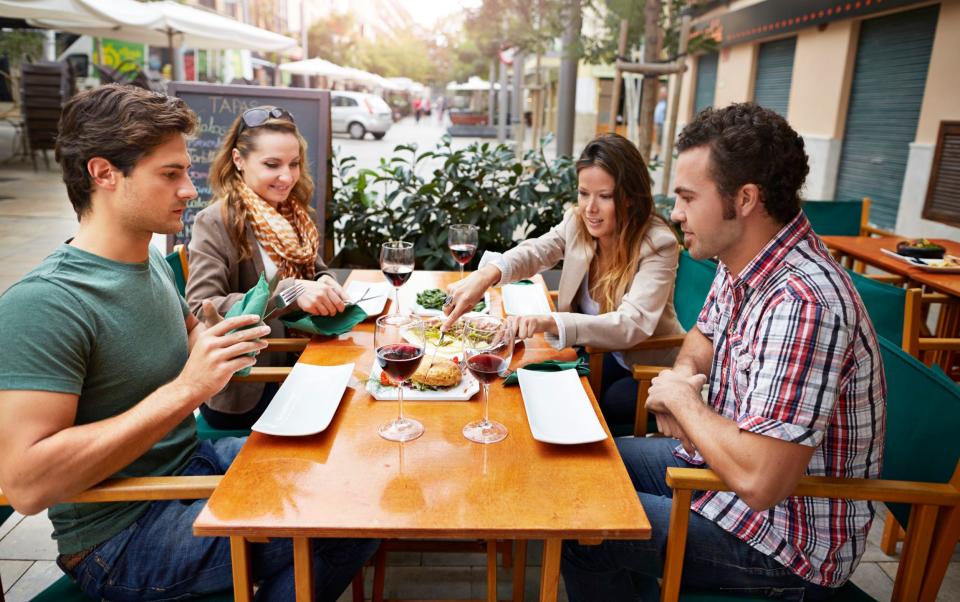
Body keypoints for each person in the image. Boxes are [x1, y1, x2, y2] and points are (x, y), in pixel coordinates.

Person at [0, 84, 377, 601]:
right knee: (348, 519)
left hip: (188, 468)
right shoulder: (45, 303)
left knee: (358, 475)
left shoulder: (148, 262)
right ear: (103, 173)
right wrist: (189, 388)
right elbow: (25, 485)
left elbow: (205, 341)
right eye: (170, 173)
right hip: (120, 537)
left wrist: (291, 350)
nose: (189, 189)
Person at [560, 103, 886, 600]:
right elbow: (701, 339)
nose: (676, 212)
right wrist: (684, 377)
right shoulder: (742, 265)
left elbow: (760, 480)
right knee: (585, 465)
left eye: (689, 197)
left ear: (746, 198)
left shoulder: (804, 302)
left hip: (783, 542)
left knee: (586, 522)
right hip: (718, 477)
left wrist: (684, 402)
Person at [443, 133, 684, 425]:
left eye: (605, 196)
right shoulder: (578, 222)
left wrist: (549, 322)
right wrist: (485, 275)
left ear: (631, 198)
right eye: (584, 193)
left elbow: (631, 325)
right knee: (525, 384)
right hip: (593, 352)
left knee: (582, 408)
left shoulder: (658, 243)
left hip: (645, 369)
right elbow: (536, 251)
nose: (590, 208)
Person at [187, 105, 349, 430]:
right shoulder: (216, 221)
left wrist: (328, 282)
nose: (287, 177)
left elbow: (315, 269)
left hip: (300, 365)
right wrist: (289, 294)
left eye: (294, 164)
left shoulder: (293, 213)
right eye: (272, 165)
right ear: (238, 161)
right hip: (249, 386)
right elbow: (202, 307)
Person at [653, 86, 667, 160]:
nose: (661, 94)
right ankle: (657, 154)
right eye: (661, 93)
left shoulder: (666, 104)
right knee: (657, 140)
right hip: (658, 124)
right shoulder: (660, 103)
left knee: (659, 140)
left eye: (663, 93)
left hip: (662, 125)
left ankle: (657, 156)